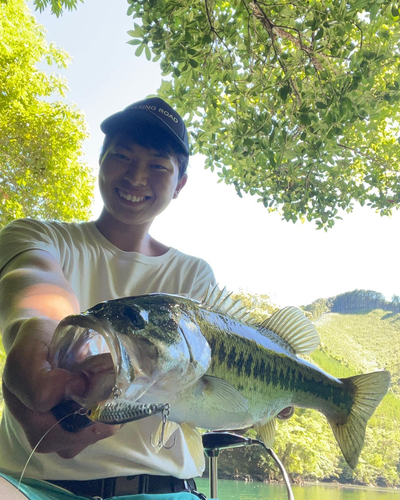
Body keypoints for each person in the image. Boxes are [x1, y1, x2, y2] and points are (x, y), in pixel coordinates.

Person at [0, 97, 216, 500]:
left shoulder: (194, 275)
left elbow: (209, 388)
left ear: (180, 183)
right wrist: (37, 336)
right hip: (25, 486)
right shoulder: (34, 235)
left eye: (157, 166)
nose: (136, 177)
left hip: (163, 489)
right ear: (99, 162)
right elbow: (36, 285)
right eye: (121, 157)